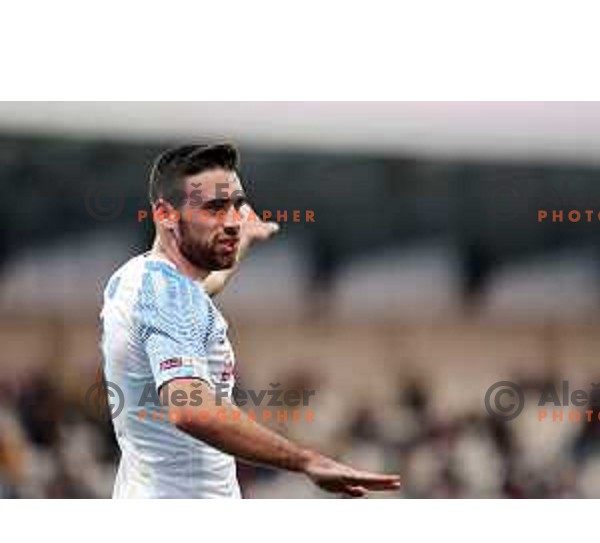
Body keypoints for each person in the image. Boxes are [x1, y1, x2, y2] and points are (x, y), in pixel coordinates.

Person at [100, 143, 401, 498]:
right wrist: (306, 461)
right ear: (166, 215)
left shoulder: (134, 278)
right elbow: (189, 410)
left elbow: (202, 289)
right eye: (214, 208)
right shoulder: (171, 294)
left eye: (237, 205)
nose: (231, 221)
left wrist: (244, 243)